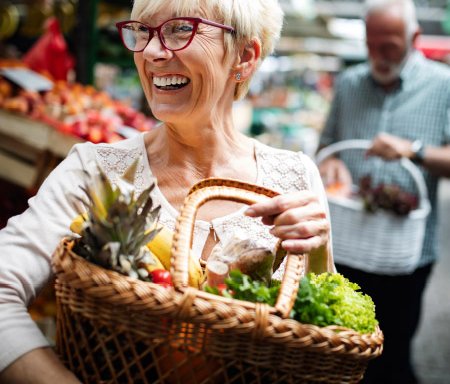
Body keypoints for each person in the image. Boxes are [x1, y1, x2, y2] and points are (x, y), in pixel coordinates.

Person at [0, 0, 334, 382]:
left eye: (180, 29)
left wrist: (320, 253)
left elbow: (329, 337)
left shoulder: (294, 178)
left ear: (244, 56)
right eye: (142, 32)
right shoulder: (93, 172)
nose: (152, 53)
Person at [319, 0, 450, 383]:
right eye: (371, 44)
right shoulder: (349, 84)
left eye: (389, 45)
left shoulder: (442, 87)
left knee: (392, 353)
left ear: (414, 38)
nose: (378, 54)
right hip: (348, 244)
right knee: (342, 345)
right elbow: (327, 143)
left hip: (408, 253)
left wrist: (414, 151)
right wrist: (330, 165)